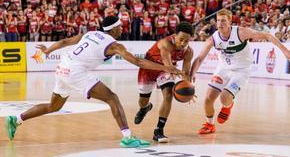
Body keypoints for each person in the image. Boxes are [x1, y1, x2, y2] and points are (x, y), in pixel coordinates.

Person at [5, 16, 182, 148]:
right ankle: (127, 137)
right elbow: (138, 62)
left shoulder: (90, 33)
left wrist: (48, 51)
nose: (122, 29)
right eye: (120, 27)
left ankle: (17, 119)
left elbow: (66, 41)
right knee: (112, 98)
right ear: (113, 29)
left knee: (54, 106)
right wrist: (167, 68)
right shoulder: (114, 45)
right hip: (75, 71)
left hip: (62, 68)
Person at [190, 9, 290, 134]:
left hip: (241, 70)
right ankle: (210, 124)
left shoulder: (241, 32)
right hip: (223, 68)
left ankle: (228, 106)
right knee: (208, 98)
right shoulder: (213, 39)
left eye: (223, 21)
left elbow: (267, 35)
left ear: (230, 21)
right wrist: (192, 74)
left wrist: (285, 50)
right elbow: (200, 58)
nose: (220, 24)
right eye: (218, 21)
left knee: (224, 98)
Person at [134, 21, 194, 143]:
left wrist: (188, 88)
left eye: (186, 41)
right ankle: (144, 108)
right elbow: (169, 67)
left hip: (165, 72)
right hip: (149, 68)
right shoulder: (165, 44)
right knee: (142, 101)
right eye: (181, 39)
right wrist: (176, 72)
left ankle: (159, 130)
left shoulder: (189, 52)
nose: (183, 43)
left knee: (168, 95)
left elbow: (186, 73)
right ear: (175, 35)